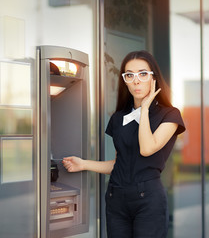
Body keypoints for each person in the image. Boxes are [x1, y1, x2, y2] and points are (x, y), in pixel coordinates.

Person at [62, 50, 185, 238]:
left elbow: (147, 148)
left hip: (148, 200)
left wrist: (144, 109)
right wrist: (84, 164)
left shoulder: (170, 115)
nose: (136, 80)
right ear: (125, 80)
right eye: (130, 75)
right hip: (116, 198)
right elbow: (119, 164)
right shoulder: (119, 118)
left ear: (154, 78)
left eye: (143, 74)